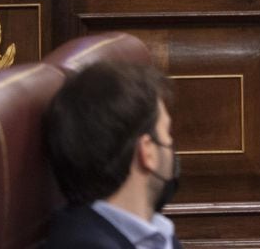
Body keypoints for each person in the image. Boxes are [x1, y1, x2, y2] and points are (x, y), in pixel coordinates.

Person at [43, 60, 182, 249]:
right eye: (167, 132)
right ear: (147, 151)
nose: (171, 145)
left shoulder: (156, 233)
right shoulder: (84, 244)